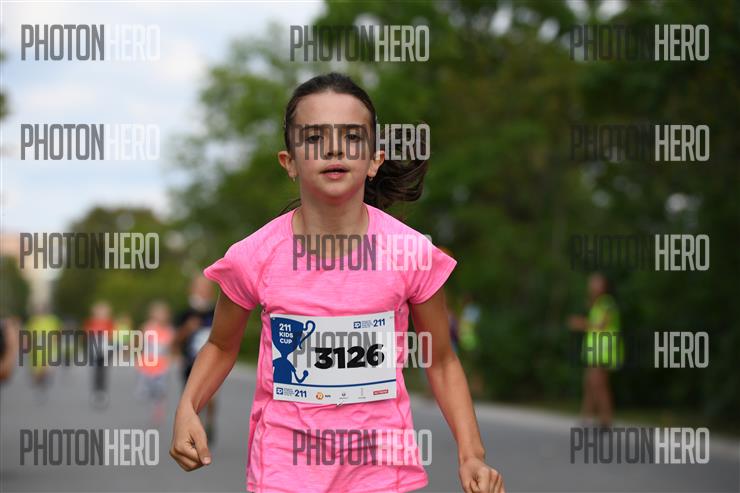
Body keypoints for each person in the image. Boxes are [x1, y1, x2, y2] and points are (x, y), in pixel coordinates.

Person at [170, 73, 505, 493]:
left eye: (351, 136)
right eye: (314, 137)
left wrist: (472, 454)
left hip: (381, 476)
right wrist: (188, 407)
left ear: (374, 160)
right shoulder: (254, 256)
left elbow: (440, 360)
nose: (333, 148)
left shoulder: (410, 253)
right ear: (289, 162)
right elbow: (221, 346)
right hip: (283, 473)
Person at [568, 272, 623, 428]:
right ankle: (587, 416)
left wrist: (580, 323)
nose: (592, 285)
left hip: (605, 349)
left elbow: (602, 325)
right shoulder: (597, 304)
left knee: (599, 384)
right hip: (596, 349)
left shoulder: (607, 303)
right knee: (589, 383)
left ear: (604, 286)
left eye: (596, 282)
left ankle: (606, 419)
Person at [174, 275, 217, 443]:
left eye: (205, 288)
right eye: (199, 288)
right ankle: (191, 430)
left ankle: (209, 423)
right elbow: (175, 340)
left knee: (210, 397)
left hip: (211, 364)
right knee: (190, 399)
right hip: (189, 362)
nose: (202, 292)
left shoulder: (216, 312)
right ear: (191, 290)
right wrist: (187, 329)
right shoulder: (185, 314)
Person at [137, 301, 175, 426]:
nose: (160, 316)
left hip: (161, 365)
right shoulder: (146, 327)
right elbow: (139, 343)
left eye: (163, 314)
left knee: (160, 388)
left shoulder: (169, 330)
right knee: (146, 388)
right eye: (157, 313)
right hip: (147, 363)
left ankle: (158, 406)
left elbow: (171, 347)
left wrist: (171, 358)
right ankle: (147, 393)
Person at [84, 301, 115, 408]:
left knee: (103, 370)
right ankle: (96, 390)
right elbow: (88, 333)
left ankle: (102, 390)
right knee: (96, 370)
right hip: (94, 348)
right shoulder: (91, 322)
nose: (101, 314)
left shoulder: (109, 323)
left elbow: (112, 335)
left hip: (106, 349)